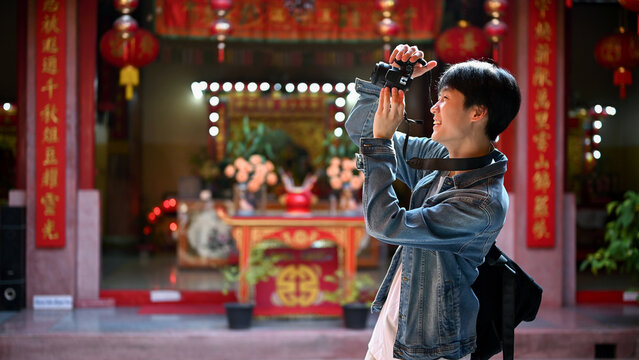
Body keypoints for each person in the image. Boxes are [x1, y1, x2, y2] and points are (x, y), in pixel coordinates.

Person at [345, 44, 521, 360]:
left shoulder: (481, 202)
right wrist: (391, 81)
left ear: (477, 113)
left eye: (445, 99)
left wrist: (383, 142)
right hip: (394, 329)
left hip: (431, 348)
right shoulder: (442, 157)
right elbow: (361, 130)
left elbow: (386, 224)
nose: (433, 108)